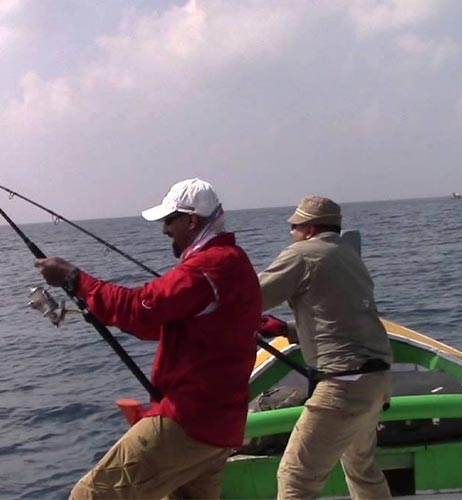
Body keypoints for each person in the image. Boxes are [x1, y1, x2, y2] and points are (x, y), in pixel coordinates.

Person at [35, 178, 261, 500]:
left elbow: (140, 309)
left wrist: (74, 278)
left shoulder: (206, 268)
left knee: (90, 495)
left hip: (189, 420)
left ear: (191, 220)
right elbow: (155, 325)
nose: (165, 230)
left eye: (169, 221)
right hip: (221, 426)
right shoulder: (235, 262)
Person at [257, 195, 393, 500]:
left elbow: (249, 298)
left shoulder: (303, 254)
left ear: (308, 228)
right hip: (377, 380)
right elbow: (341, 318)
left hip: (343, 385)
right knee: (362, 469)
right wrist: (286, 330)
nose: (291, 232)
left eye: (293, 226)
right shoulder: (349, 256)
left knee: (295, 476)